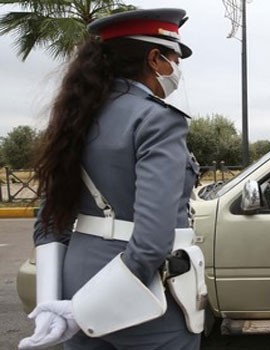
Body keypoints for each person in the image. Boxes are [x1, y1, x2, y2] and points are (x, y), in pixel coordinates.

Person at [19, 8, 203, 350]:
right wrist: (84, 310)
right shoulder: (158, 120)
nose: (177, 69)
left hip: (76, 283)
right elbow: (150, 242)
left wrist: (53, 307)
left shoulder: (74, 117)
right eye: (175, 59)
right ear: (154, 58)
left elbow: (49, 222)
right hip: (142, 295)